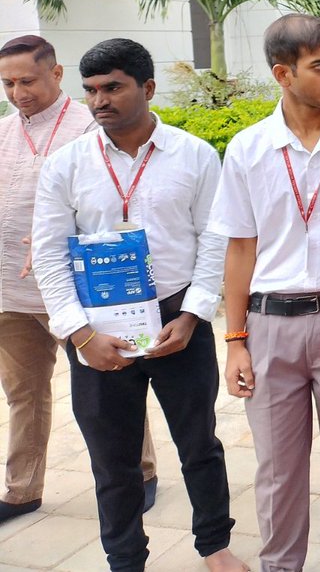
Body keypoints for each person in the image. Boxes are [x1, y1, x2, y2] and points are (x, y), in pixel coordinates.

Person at [31, 38, 246, 572]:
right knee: (113, 457)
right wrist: (81, 335)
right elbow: (49, 253)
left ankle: (214, 546)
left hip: (177, 318)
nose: (100, 100)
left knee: (199, 443)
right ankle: (125, 560)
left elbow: (213, 241)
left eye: (113, 87)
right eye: (91, 91)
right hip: (99, 325)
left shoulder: (193, 155)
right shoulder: (66, 165)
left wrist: (193, 315)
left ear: (147, 88)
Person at [0, 36, 158, 523]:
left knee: (112, 380)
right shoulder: (4, 132)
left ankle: (140, 473)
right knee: (23, 392)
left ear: (56, 73)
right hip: (10, 288)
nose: (18, 92)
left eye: (27, 80)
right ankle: (22, 489)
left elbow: (119, 199)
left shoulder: (93, 125)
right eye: (7, 83)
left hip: (79, 287)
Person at [208, 15, 320, 572]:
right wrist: (235, 340)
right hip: (269, 326)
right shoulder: (248, 148)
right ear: (282, 74)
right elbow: (239, 250)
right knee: (277, 471)